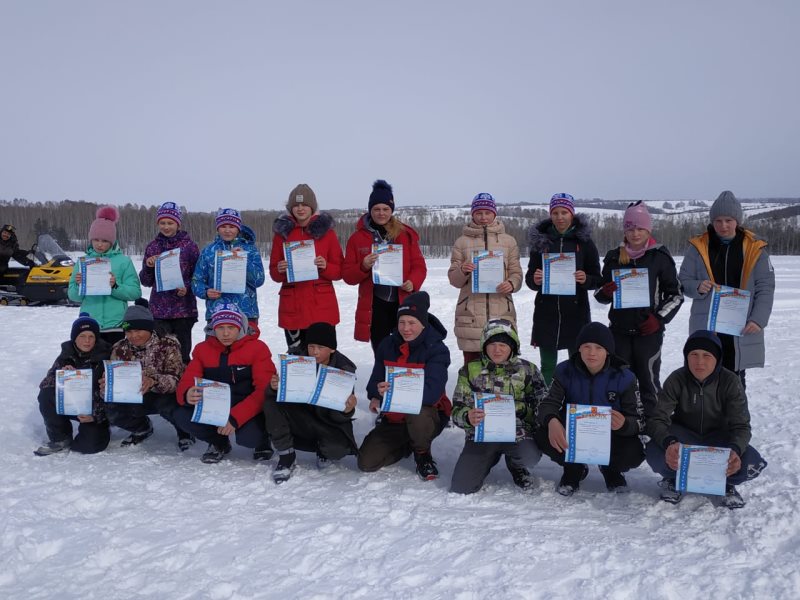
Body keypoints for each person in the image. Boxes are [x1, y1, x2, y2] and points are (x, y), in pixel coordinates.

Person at [645, 330, 767, 509]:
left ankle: (726, 484)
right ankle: (673, 479)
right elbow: (657, 419)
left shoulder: (730, 381)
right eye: (693, 355)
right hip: (684, 440)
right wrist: (669, 443)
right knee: (653, 451)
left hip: (718, 441)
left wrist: (734, 450)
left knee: (750, 461)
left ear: (717, 358)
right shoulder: (676, 379)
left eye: (706, 355)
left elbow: (741, 426)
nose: (699, 362)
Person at [678, 191, 775, 390]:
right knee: (702, 379)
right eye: (718, 220)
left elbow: (766, 287)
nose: (723, 226)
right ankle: (705, 421)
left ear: (737, 221)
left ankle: (736, 422)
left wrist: (758, 319)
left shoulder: (755, 248)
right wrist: (697, 286)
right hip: (707, 323)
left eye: (728, 220)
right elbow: (683, 280)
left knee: (735, 382)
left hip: (739, 326)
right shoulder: (697, 247)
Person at [534, 322, 645, 496]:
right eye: (586, 346)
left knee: (634, 452)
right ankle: (574, 469)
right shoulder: (564, 370)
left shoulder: (624, 377)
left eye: (598, 348)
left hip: (610, 435)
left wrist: (624, 424)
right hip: (574, 434)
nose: (591, 353)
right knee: (542, 433)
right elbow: (547, 403)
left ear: (608, 351)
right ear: (578, 348)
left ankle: (611, 469)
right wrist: (551, 420)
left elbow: (639, 419)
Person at [594, 201, 683, 415]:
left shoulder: (659, 257)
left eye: (640, 228)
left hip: (648, 333)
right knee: (619, 381)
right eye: (630, 228)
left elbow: (675, 295)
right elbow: (599, 295)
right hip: (619, 332)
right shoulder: (614, 257)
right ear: (624, 230)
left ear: (648, 229)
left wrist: (658, 319)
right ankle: (623, 424)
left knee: (648, 380)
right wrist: (606, 292)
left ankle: (654, 425)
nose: (635, 233)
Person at [358, 291, 451, 480]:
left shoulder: (437, 349)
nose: (406, 328)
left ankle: (422, 452)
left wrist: (393, 391)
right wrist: (378, 392)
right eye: (402, 322)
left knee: (418, 416)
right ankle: (408, 444)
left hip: (427, 414)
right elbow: (374, 382)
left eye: (412, 323)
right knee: (366, 462)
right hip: (394, 417)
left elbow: (432, 394)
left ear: (423, 324)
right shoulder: (387, 345)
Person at [450, 319, 547, 494]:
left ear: (513, 346)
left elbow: (543, 406)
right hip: (481, 435)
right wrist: (467, 417)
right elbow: (457, 408)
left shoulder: (528, 370)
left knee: (529, 456)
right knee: (461, 487)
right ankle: (488, 457)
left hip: (517, 432)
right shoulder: (470, 370)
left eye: (503, 344)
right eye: (492, 344)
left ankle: (516, 465)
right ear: (484, 345)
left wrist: (524, 411)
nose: (497, 349)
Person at [174, 302, 276, 464]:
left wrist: (235, 418)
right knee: (181, 414)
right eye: (220, 328)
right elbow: (188, 379)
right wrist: (188, 393)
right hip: (217, 406)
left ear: (240, 327)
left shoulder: (257, 349)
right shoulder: (203, 349)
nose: (226, 333)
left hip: (248, 407)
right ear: (213, 328)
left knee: (249, 438)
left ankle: (262, 441)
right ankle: (218, 442)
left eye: (231, 327)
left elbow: (264, 390)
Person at [263, 322, 359, 483]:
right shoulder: (294, 360)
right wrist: (274, 387)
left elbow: (339, 418)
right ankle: (287, 455)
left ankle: (323, 450)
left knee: (337, 450)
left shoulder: (344, 369)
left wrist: (346, 410)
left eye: (320, 347)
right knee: (271, 402)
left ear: (332, 349)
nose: (314, 352)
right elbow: (275, 396)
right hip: (300, 419)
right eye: (311, 346)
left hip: (328, 423)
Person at [525, 193, 602, 385]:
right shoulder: (541, 242)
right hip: (547, 312)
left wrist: (586, 279)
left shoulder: (584, 242)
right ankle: (546, 402)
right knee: (548, 365)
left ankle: (574, 400)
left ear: (572, 214)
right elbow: (529, 278)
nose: (560, 217)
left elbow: (597, 278)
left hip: (575, 312)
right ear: (550, 215)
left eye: (564, 212)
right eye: (555, 212)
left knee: (577, 363)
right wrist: (535, 280)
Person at [342, 179, 427, 354]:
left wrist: (412, 281)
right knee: (381, 348)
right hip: (376, 303)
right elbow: (348, 276)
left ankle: (402, 379)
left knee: (405, 347)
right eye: (376, 209)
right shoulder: (357, 239)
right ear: (370, 210)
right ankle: (382, 378)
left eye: (386, 209)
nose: (381, 213)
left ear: (392, 210)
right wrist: (363, 266)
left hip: (402, 300)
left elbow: (419, 266)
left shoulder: (405, 235)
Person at [103, 299, 190, 449]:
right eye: (129, 331)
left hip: (163, 393)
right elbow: (115, 376)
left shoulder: (168, 344)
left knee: (171, 405)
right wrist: (107, 385)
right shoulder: (119, 348)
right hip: (133, 395)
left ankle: (184, 432)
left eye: (138, 330)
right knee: (110, 408)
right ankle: (141, 428)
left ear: (149, 328)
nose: (134, 336)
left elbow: (176, 380)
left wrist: (152, 381)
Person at [448, 193, 523, 364]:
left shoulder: (509, 242)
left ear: (494, 214)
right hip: (471, 313)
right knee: (472, 366)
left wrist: (511, 283)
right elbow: (454, 280)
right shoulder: (462, 242)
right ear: (472, 214)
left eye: (487, 213)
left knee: (501, 366)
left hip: (502, 311)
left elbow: (516, 273)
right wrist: (463, 270)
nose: (483, 217)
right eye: (479, 213)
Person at [269, 184, 344, 352]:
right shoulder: (282, 234)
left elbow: (340, 270)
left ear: (312, 207)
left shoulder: (327, 233)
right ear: (290, 208)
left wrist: (325, 266)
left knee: (324, 356)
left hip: (321, 307)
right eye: (296, 205)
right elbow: (274, 272)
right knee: (298, 360)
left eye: (305, 205)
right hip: (293, 307)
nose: (300, 208)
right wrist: (280, 269)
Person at [33, 313, 112, 456]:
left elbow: (114, 394)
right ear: (74, 338)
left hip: (95, 409)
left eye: (91, 336)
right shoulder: (66, 355)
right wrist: (61, 375)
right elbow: (45, 383)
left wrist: (95, 415)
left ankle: (98, 429)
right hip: (73, 403)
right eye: (82, 336)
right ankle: (60, 437)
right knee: (47, 394)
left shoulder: (107, 356)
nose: (87, 341)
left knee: (88, 447)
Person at [68, 206, 142, 345]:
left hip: (117, 325)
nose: (100, 244)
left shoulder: (123, 262)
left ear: (112, 241)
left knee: (113, 364)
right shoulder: (82, 262)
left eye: (104, 241)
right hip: (90, 325)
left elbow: (135, 292)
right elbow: (73, 297)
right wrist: (79, 285)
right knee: (93, 365)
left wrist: (115, 286)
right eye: (96, 240)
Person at [138, 202, 200, 363]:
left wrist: (187, 288)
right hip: (159, 311)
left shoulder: (189, 247)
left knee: (182, 354)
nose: (166, 227)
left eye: (170, 223)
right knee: (160, 355)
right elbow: (145, 281)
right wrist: (148, 266)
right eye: (163, 223)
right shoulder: (152, 247)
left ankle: (182, 385)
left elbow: (198, 276)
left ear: (178, 224)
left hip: (183, 311)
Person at [191, 207, 265, 330]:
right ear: (217, 228)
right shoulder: (208, 251)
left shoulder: (250, 250)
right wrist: (206, 292)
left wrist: (244, 261)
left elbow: (259, 280)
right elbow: (196, 280)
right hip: (217, 311)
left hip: (246, 312)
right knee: (215, 349)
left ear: (238, 228)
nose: (227, 230)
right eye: (223, 226)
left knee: (246, 349)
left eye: (231, 226)